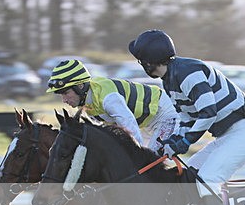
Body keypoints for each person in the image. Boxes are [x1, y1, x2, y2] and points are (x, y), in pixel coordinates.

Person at [127, 29, 245, 205]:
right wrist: (168, 144)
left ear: (148, 62)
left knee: (208, 180)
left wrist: (183, 142)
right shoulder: (170, 80)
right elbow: (186, 117)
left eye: (140, 60)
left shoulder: (188, 72)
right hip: (226, 135)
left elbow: (207, 113)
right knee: (189, 176)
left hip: (242, 133)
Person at [46, 59, 177, 152]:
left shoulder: (108, 97)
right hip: (145, 124)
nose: (64, 100)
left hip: (165, 113)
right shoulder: (87, 102)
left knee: (150, 162)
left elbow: (129, 126)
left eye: (65, 93)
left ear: (80, 86)